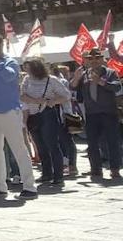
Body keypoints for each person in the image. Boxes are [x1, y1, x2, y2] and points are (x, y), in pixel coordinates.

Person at [0, 33, 37, 199]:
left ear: (1, 45)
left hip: (8, 112)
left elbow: (9, 76)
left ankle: (29, 186)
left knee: (18, 148)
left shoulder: (9, 62)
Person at [70, 48, 122, 180]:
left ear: (102, 59)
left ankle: (115, 169)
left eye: (97, 58)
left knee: (112, 142)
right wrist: (75, 79)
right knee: (92, 143)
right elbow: (72, 88)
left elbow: (116, 87)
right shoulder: (84, 74)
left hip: (108, 113)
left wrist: (101, 81)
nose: (94, 61)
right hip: (92, 114)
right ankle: (96, 169)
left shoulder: (110, 72)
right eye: (90, 58)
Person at [20, 59, 70, 189]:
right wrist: (35, 100)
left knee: (52, 145)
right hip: (32, 115)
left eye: (30, 68)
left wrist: (53, 101)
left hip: (47, 114)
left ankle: (58, 176)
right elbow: (21, 95)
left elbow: (66, 95)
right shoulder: (26, 79)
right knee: (40, 145)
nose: (27, 71)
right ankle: (47, 173)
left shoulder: (51, 80)